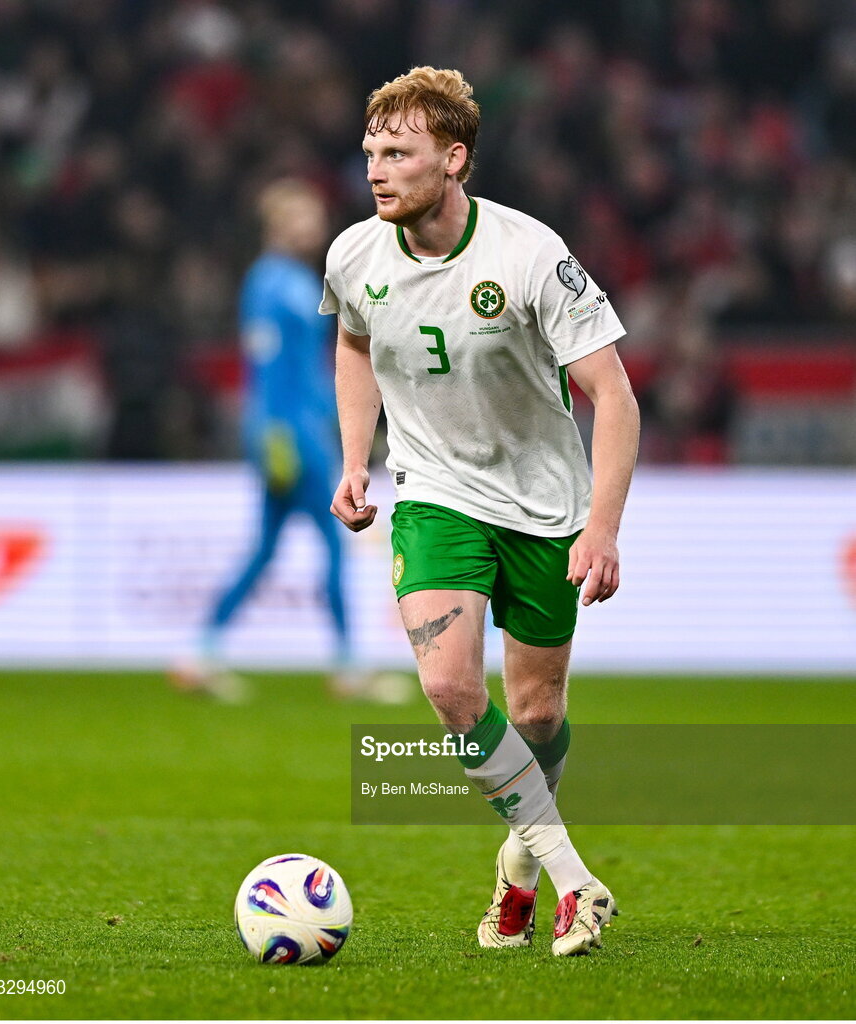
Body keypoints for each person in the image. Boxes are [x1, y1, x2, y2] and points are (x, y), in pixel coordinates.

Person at [320, 67, 640, 956]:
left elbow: (614, 396)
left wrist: (602, 527)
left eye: (399, 153)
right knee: (451, 689)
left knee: (535, 717)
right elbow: (354, 342)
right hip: (434, 494)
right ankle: (577, 882)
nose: (376, 170)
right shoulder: (354, 255)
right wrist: (356, 456)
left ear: (454, 159)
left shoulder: (529, 255)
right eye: (371, 152)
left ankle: (522, 866)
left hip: (543, 507)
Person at [175, 179, 354, 701]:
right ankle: (347, 668)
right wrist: (275, 436)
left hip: (298, 427)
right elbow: (269, 367)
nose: (316, 226)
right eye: (306, 217)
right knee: (332, 543)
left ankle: (202, 653)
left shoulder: (292, 280)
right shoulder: (273, 283)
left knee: (266, 550)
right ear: (281, 223)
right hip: (293, 434)